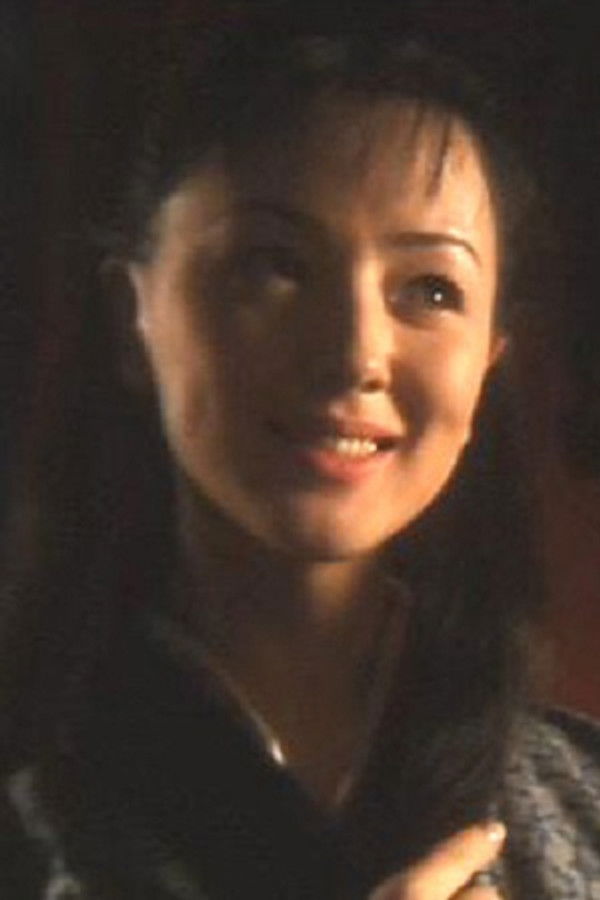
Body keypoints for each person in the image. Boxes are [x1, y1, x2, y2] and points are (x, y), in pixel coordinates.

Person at [2, 21, 600, 900]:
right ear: (133, 316)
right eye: (273, 266)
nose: (356, 353)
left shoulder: (580, 793)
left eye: (430, 289)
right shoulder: (32, 772)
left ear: (488, 361)